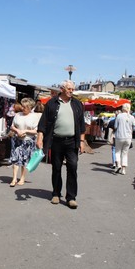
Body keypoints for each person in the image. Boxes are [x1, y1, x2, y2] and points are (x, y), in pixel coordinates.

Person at [36, 80, 86, 209]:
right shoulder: (52, 103)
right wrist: (40, 138)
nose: (71, 91)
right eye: (69, 89)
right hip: (56, 140)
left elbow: (81, 125)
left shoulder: (77, 104)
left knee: (73, 167)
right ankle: (56, 194)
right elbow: (43, 123)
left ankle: (71, 197)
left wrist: (81, 141)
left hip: (72, 141)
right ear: (62, 89)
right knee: (56, 168)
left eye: (72, 89)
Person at [9, 98, 39, 187]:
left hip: (28, 141)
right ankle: (14, 178)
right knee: (15, 159)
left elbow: (36, 131)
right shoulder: (18, 115)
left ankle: (22, 178)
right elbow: (12, 126)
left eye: (25, 107)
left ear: (30, 107)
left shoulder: (34, 117)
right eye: (22, 106)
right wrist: (17, 130)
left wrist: (25, 131)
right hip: (17, 139)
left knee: (25, 160)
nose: (23, 108)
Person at [113, 103, 135, 175]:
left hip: (119, 136)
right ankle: (123, 169)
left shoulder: (119, 116)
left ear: (122, 108)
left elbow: (115, 126)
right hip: (128, 137)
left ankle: (118, 165)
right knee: (125, 153)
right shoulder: (132, 117)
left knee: (117, 151)